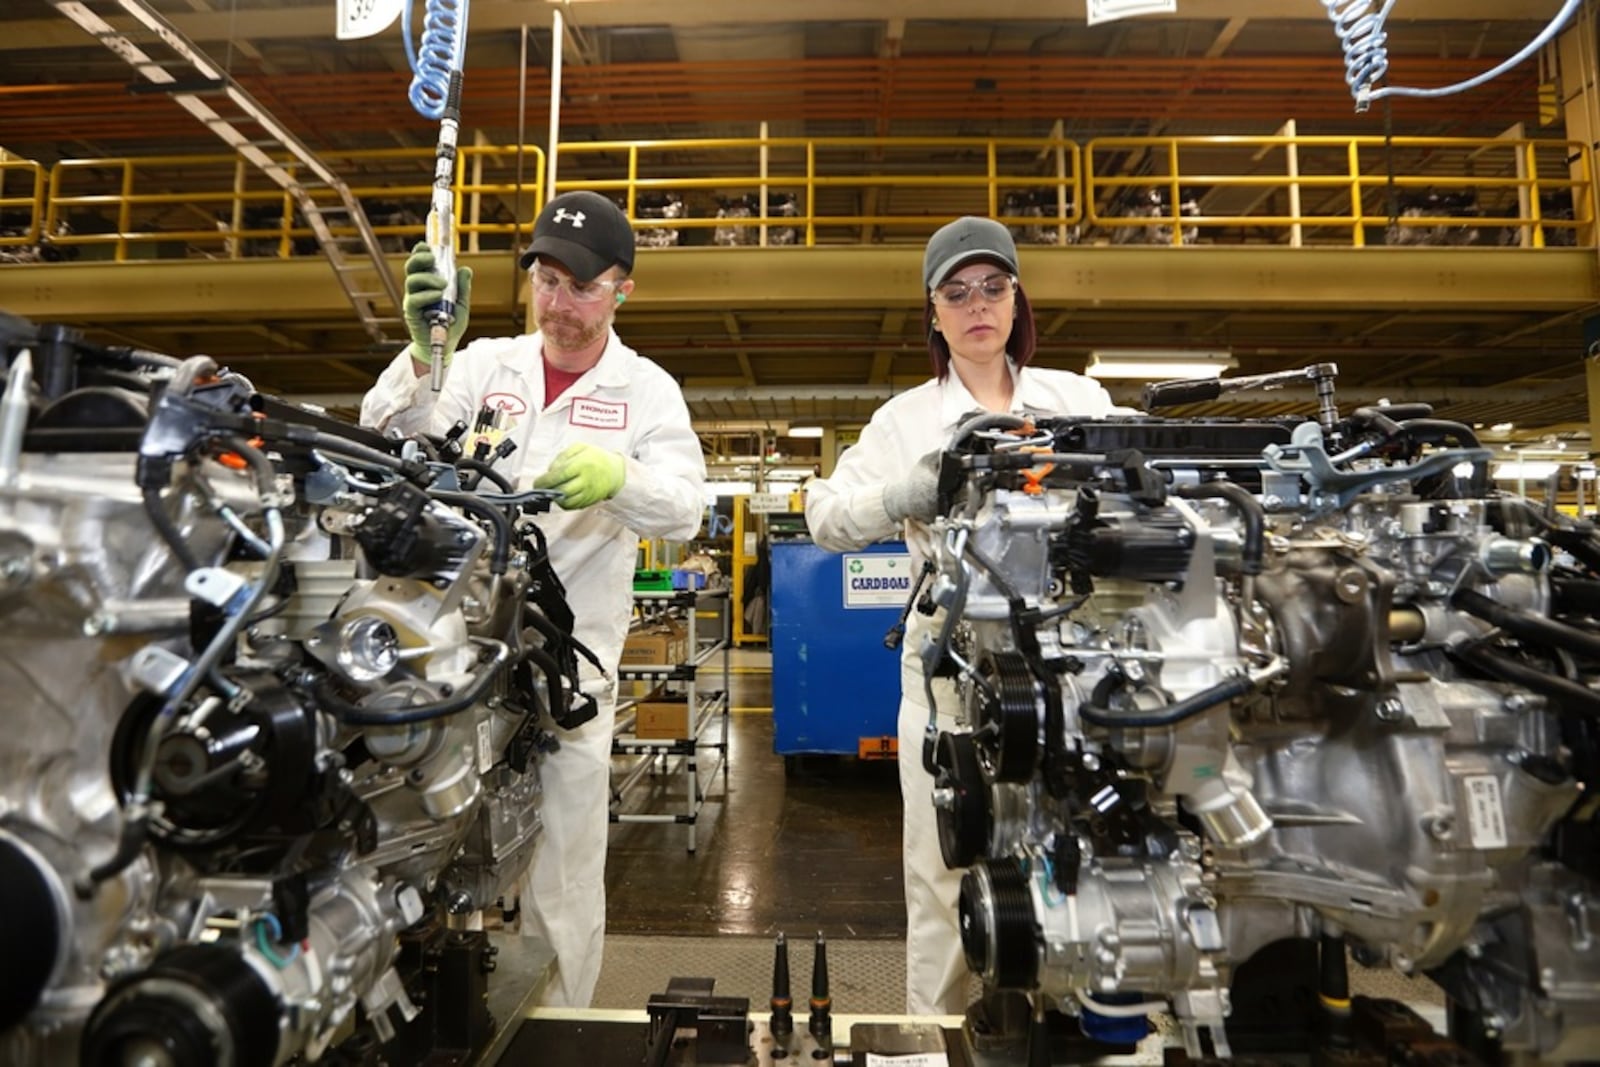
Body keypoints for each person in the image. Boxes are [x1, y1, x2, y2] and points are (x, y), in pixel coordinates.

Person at [361, 190, 707, 1008]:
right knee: (426, 850)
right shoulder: (481, 365)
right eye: (546, 281)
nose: (559, 304)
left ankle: (561, 1030)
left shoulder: (646, 390)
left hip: (566, 677)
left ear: (623, 288)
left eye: (582, 287)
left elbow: (687, 504)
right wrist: (421, 355)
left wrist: (621, 479)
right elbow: (387, 432)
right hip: (450, 663)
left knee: (561, 879)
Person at [803, 216, 1123, 1015]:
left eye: (993, 287)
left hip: (1070, 680)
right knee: (944, 874)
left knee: (1076, 864)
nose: (977, 305)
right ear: (934, 313)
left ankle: (1070, 1021)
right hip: (949, 688)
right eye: (957, 292)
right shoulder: (903, 420)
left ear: (1017, 301)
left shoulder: (1079, 400)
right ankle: (935, 1031)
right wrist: (902, 494)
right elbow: (824, 516)